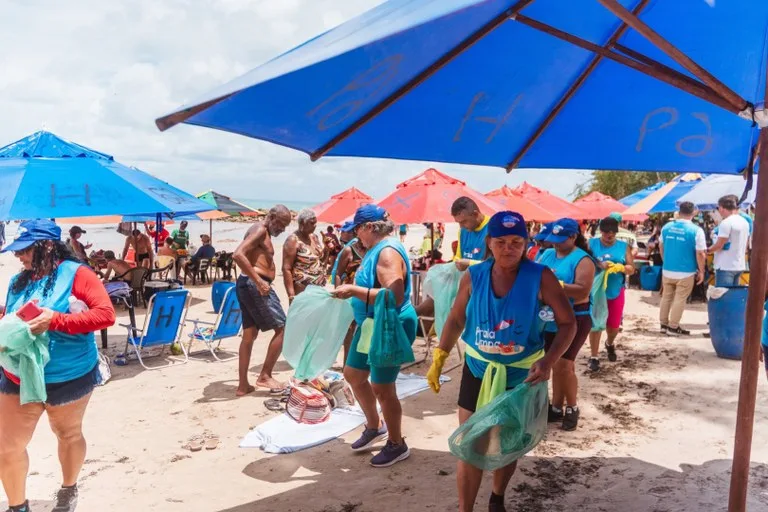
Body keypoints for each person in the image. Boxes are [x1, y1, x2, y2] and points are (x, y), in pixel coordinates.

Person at [426, 211, 576, 512]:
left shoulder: (541, 276)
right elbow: (456, 318)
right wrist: (440, 356)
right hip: (478, 369)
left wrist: (548, 362)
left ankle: (497, 496)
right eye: (502, 241)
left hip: (522, 375)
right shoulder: (474, 275)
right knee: (470, 445)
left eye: (516, 242)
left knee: (507, 445)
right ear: (489, 242)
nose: (509, 248)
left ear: (525, 243)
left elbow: (568, 324)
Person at [0, 219, 115, 512]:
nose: (19, 256)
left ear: (48, 246)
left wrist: (56, 320)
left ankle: (68, 489)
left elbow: (105, 315)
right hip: (20, 374)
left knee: (68, 434)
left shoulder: (78, 275)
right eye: (17, 250)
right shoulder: (18, 281)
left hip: (69, 375)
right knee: (7, 447)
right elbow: (13, 315)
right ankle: (18, 507)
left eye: (25, 250)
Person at [331, 205, 417, 468]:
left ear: (369, 227)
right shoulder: (374, 249)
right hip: (370, 323)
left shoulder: (387, 252)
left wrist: (353, 290)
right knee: (354, 374)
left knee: (382, 386)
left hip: (388, 325)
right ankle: (374, 425)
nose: (356, 237)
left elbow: (394, 296)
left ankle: (396, 443)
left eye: (357, 231)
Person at [537, 218, 596, 431]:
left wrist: (556, 286)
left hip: (576, 317)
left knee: (564, 364)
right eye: (554, 239)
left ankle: (572, 406)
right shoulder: (547, 254)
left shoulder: (583, 260)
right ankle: (555, 406)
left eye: (561, 240)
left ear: (573, 237)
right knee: (553, 363)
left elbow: (582, 290)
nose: (556, 244)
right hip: (549, 316)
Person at [233, 205, 293, 396]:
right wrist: (259, 281)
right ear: (272, 217)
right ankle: (265, 376)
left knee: (249, 335)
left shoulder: (259, 230)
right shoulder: (260, 230)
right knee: (284, 328)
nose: (282, 230)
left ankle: (243, 385)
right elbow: (238, 254)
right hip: (254, 284)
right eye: (282, 224)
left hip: (247, 283)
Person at [587, 216, 635, 372]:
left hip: (615, 290)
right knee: (595, 324)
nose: (609, 235)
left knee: (613, 326)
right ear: (601, 231)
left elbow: (631, 268)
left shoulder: (623, 246)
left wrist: (621, 268)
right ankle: (594, 356)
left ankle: (609, 343)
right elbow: (582, 261)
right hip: (595, 290)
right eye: (606, 232)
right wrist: (598, 265)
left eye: (613, 232)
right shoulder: (591, 244)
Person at [658, 202, 706, 336]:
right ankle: (673, 327)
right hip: (686, 271)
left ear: (679, 212)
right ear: (694, 213)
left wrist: (665, 260)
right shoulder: (696, 230)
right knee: (680, 299)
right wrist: (701, 271)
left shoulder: (666, 227)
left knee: (666, 297)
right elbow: (700, 253)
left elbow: (661, 246)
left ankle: (663, 324)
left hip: (667, 269)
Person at [331, 224, 367, 366]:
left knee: (364, 327)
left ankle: (360, 364)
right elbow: (338, 274)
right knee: (350, 329)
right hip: (349, 295)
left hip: (365, 294)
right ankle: (347, 363)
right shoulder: (349, 250)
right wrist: (338, 292)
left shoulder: (371, 250)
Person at [283, 209, 326, 303]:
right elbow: (286, 269)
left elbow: (321, 260)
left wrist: (327, 248)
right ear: (302, 223)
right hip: (302, 290)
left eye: (315, 223)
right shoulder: (293, 240)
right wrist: (291, 295)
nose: (315, 226)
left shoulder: (314, 237)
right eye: (312, 223)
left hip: (319, 289)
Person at [708, 195, 750, 287]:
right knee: (733, 296)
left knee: (723, 295)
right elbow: (746, 244)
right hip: (739, 265)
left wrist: (707, 250)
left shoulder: (726, 223)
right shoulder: (745, 222)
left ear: (722, 208)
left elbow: (720, 245)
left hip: (725, 265)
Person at [452, 197, 491, 269]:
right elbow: (458, 258)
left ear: (475, 214)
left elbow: (497, 265)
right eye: (459, 222)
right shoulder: (462, 232)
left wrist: (470, 263)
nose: (461, 226)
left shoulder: (493, 228)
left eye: (463, 221)